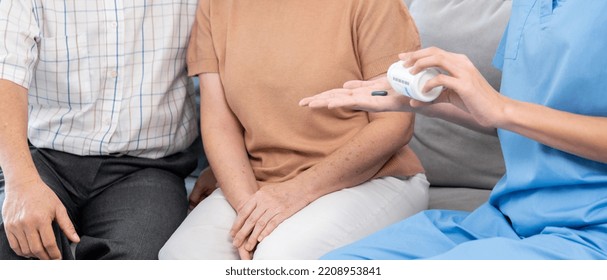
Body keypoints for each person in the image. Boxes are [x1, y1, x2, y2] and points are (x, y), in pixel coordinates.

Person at [300, 0, 607, 259]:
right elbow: (518, 118)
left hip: (592, 233)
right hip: (505, 219)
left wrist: (501, 108)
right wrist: (432, 101)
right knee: (342, 264)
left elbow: (505, 111)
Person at [159, 0, 429, 260]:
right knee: (181, 256)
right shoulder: (215, 4)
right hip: (259, 183)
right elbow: (220, 123)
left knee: (280, 257)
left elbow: (395, 124)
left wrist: (297, 191)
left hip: (371, 179)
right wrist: (250, 211)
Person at [0, 1, 200, 260]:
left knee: (139, 257)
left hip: (148, 166)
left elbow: (227, 65)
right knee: (14, 241)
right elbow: (6, 72)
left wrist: (217, 170)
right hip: (41, 156)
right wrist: (22, 183)